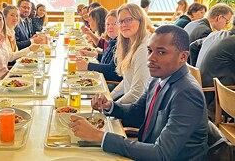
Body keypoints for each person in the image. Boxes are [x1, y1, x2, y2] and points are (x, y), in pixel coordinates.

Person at [70, 25, 208, 161]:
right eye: (149, 51)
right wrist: (109, 106)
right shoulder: (158, 78)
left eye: (161, 52)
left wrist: (99, 136)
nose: (150, 58)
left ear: (183, 57)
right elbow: (138, 112)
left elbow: (161, 154)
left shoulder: (187, 93)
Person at [107, 3, 149, 103]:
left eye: (129, 20)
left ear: (140, 20)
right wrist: (109, 98)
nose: (124, 24)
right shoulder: (130, 45)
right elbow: (127, 81)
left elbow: (137, 93)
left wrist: (112, 107)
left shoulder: (144, 49)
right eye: (121, 21)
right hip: (129, 106)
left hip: (138, 111)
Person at [192, 20, 235, 111]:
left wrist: (194, 69)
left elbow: (193, 46)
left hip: (201, 92)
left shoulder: (215, 34)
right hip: (216, 99)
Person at [76, 10, 122, 82]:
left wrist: (88, 66)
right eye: (108, 24)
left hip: (111, 84)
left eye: (114, 24)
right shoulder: (113, 41)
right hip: (103, 79)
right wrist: (95, 55)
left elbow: (113, 71)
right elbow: (108, 58)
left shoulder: (121, 44)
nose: (110, 27)